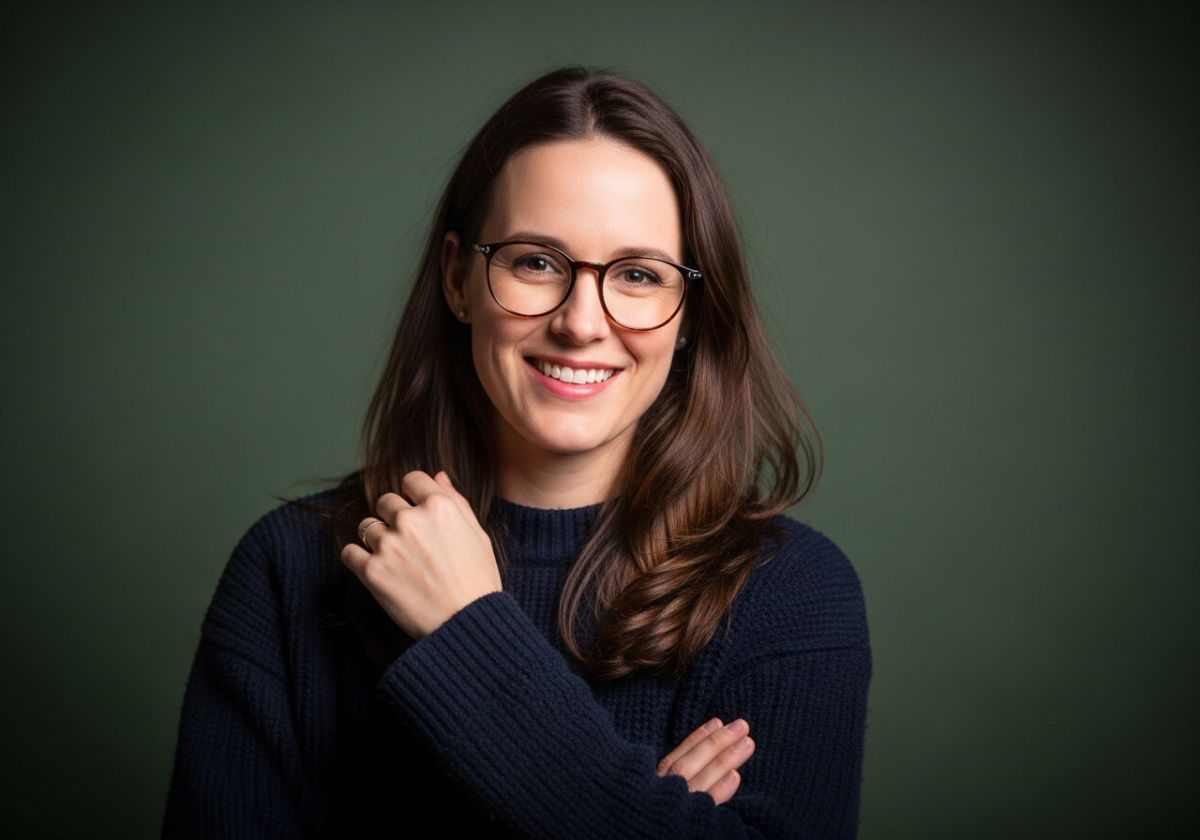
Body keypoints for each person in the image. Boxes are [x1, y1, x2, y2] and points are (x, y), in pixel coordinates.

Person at [161, 65, 871, 839]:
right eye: (536, 261)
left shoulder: (791, 593)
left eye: (639, 275)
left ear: (690, 315)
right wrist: (641, 816)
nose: (581, 323)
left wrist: (468, 632)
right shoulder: (288, 570)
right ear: (458, 280)